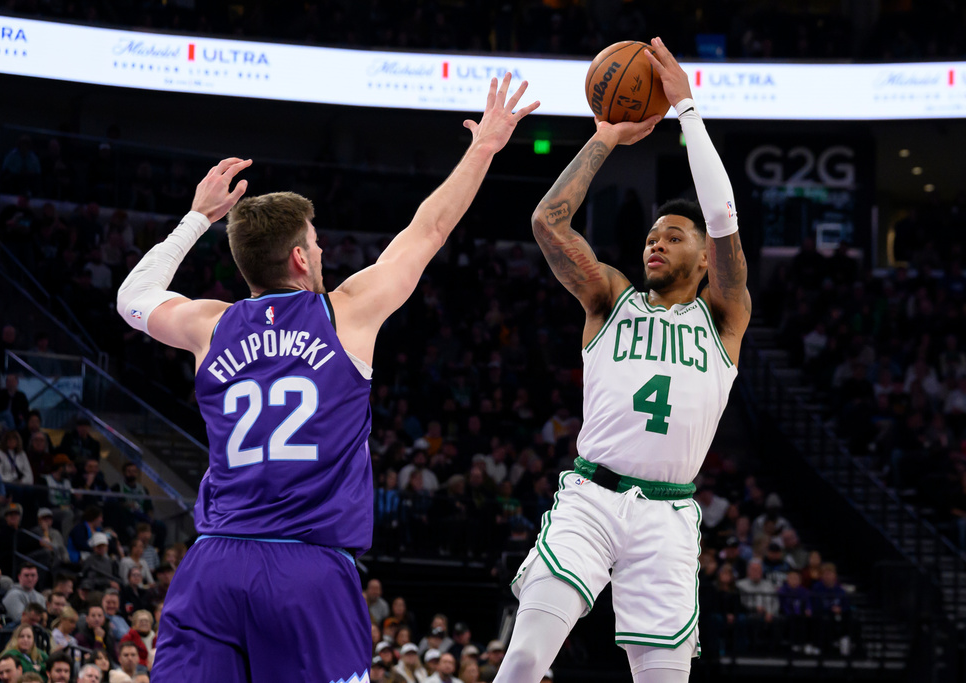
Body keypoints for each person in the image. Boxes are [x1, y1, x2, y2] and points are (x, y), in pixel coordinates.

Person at [115, 75, 538, 683]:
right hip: (307, 572)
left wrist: (195, 218)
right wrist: (484, 148)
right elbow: (428, 231)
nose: (320, 253)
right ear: (298, 257)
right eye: (315, 243)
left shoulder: (210, 326)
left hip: (212, 567)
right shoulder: (345, 314)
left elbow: (133, 295)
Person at [497, 38, 751, 683]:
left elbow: (722, 216)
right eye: (649, 235)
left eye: (673, 235)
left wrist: (687, 109)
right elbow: (549, 223)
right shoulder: (611, 299)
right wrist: (606, 135)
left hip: (668, 516)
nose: (655, 242)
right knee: (526, 657)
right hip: (591, 498)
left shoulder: (724, 318)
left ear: (703, 257)